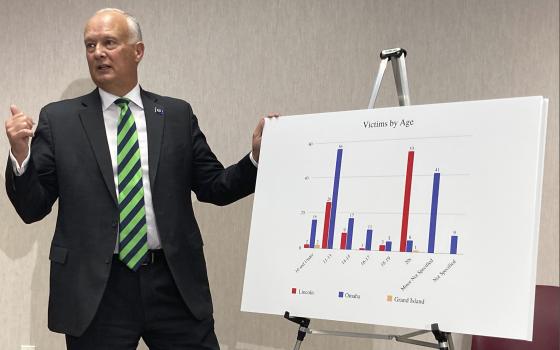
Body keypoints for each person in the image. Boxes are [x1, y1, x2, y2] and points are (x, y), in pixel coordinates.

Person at [5, 8, 273, 350]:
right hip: (98, 290)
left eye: (109, 42)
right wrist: (20, 154)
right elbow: (32, 207)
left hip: (172, 282)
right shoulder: (60, 120)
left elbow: (214, 187)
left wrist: (256, 160)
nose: (98, 52)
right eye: (90, 45)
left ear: (138, 51)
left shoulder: (176, 115)